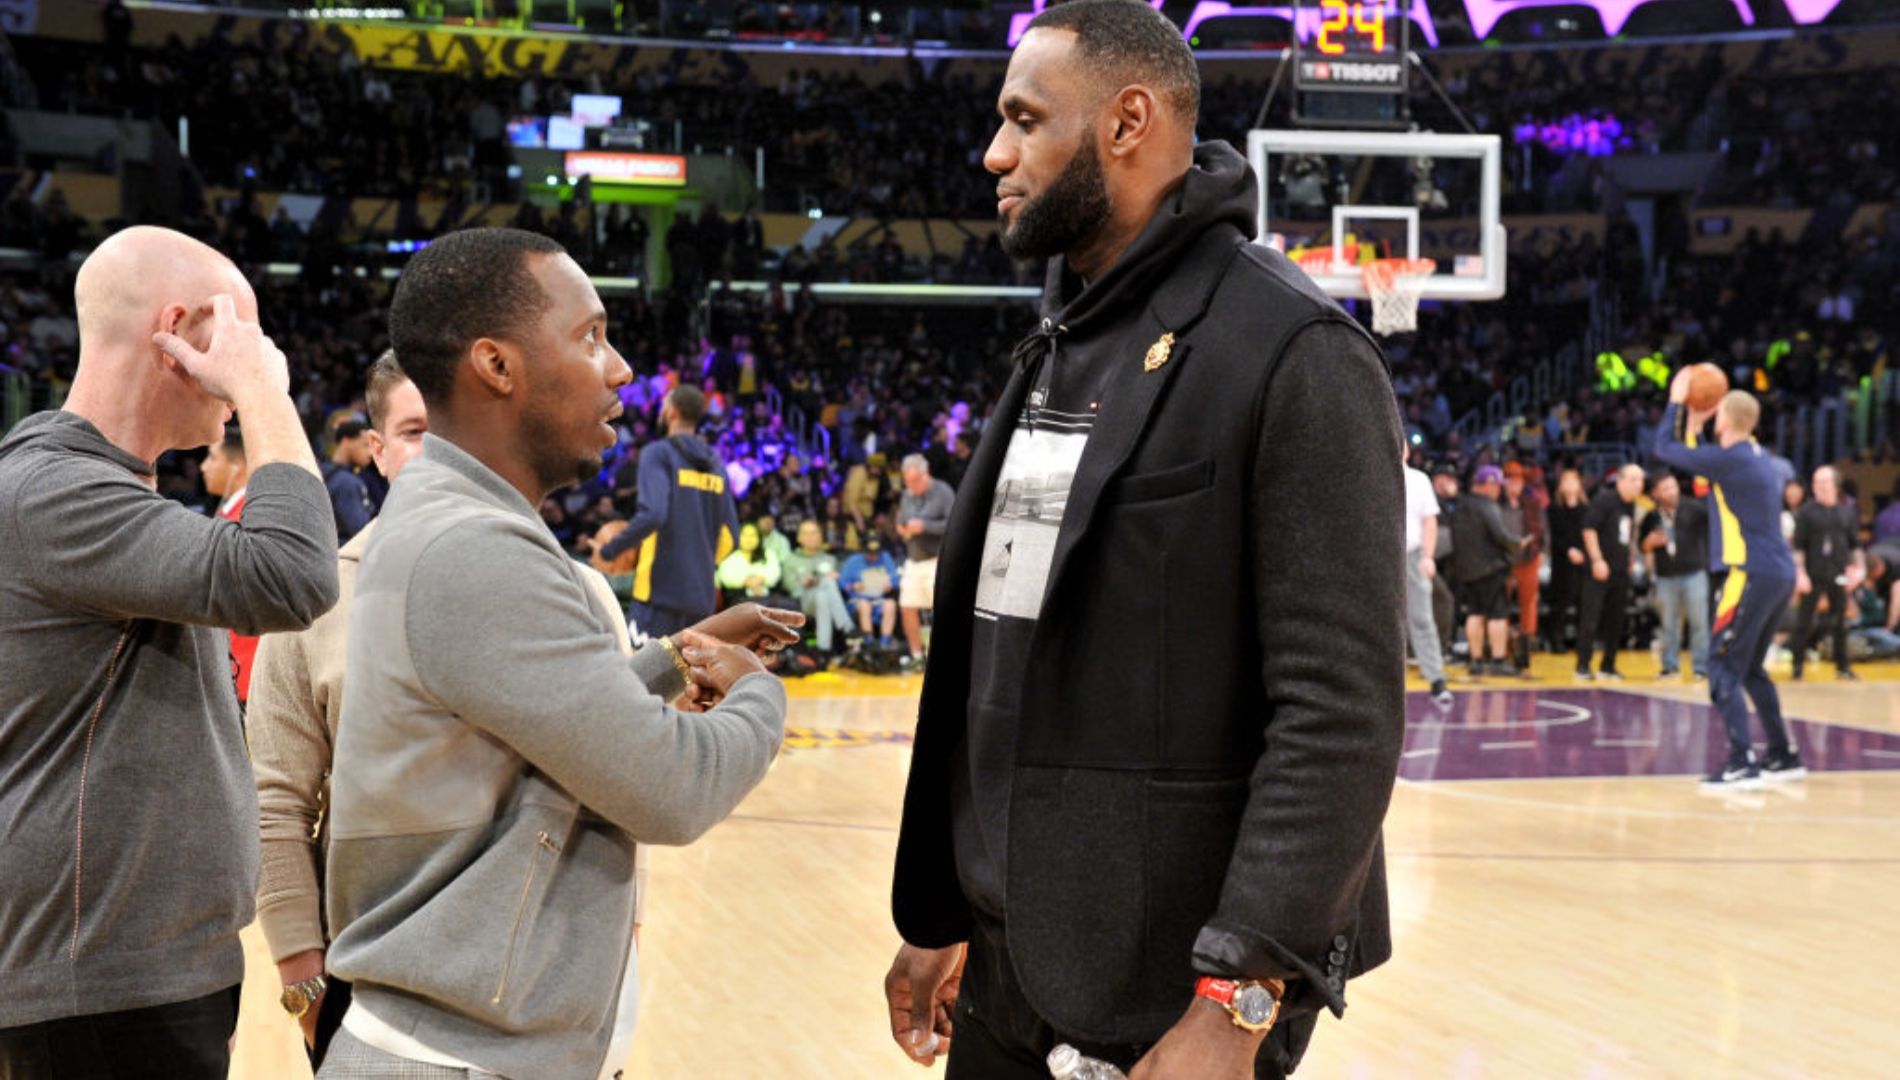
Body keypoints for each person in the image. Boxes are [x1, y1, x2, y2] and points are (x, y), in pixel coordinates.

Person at [884, 5, 1405, 1078]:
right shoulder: (1059, 338)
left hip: (1167, 995)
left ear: (1127, 122)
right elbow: (1001, 658)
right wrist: (947, 906)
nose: (995, 154)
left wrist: (1238, 998)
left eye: (1025, 119)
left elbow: (1339, 714)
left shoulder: (1297, 352)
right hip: (1002, 965)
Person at [320, 228, 798, 1079]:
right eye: (591, 337)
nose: (620, 369)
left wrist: (671, 662)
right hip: (456, 1057)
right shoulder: (475, 547)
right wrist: (760, 693)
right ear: (497, 365)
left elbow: (529, 722)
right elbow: (672, 789)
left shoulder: (442, 516)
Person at [0, 226, 339, 1077]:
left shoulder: (94, 487)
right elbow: (293, 574)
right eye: (239, 333)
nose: (259, 355)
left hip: (136, 975)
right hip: (95, 988)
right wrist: (261, 392)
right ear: (177, 331)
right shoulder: (54, 493)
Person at [1655, 373, 1805, 790]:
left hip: (1749, 572)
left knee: (1721, 665)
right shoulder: (1756, 456)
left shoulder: (1732, 460)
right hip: (1778, 572)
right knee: (1751, 667)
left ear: (1725, 417)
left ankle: (1742, 761)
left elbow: (1664, 449)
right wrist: (1695, 428)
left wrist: (1676, 402)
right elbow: (1701, 466)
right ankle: (1782, 754)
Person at [592, 384, 741, 641]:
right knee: (684, 669)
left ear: (671, 412)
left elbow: (654, 515)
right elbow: (731, 537)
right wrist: (696, 562)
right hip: (701, 599)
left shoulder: (658, 453)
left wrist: (609, 550)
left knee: (640, 666)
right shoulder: (716, 464)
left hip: (658, 595)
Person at [203, 422, 261, 702]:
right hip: (232, 656)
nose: (204, 466)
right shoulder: (233, 512)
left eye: (212, 458)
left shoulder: (247, 517)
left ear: (237, 467)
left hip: (244, 658)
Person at [1450, 465, 1526, 678]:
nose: (1499, 490)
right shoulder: (1487, 506)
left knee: (1474, 613)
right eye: (1497, 485)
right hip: (1491, 568)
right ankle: (1498, 661)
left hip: (1466, 570)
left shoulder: (1461, 506)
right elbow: (1501, 535)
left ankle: (1475, 661)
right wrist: (1518, 543)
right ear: (1488, 484)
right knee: (1497, 615)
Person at [1789, 465, 1863, 682]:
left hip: (1839, 572)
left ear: (1835, 485)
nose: (1819, 486)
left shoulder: (1846, 512)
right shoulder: (1806, 512)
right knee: (1804, 620)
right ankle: (1797, 665)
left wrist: (1859, 569)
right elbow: (1798, 547)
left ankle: (1843, 666)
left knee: (1841, 620)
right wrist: (1800, 573)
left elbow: (1855, 545)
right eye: (1816, 482)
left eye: (1824, 482)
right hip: (1813, 573)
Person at [1639, 473, 1711, 681]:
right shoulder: (1652, 517)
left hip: (1694, 573)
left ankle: (1701, 667)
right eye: (1665, 488)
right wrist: (1649, 543)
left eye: (1673, 486)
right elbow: (1642, 546)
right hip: (1665, 576)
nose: (1671, 492)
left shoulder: (1694, 509)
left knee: (1699, 623)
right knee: (1668, 624)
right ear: (1656, 493)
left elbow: (1712, 528)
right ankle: (1670, 666)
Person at [1576, 464, 1644, 682]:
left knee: (1616, 620)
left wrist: (1630, 555)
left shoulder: (1630, 505)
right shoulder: (1604, 499)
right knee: (1591, 618)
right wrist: (1597, 560)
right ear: (1620, 480)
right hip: (1599, 568)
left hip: (1620, 569)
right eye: (1634, 479)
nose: (1639, 484)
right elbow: (1589, 529)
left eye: (1641, 480)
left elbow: (1626, 533)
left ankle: (1608, 665)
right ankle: (1583, 666)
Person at [895, 453, 955, 666]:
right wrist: (902, 528)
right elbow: (901, 521)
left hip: (936, 559)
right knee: (907, 606)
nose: (910, 485)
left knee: (939, 609)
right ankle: (917, 656)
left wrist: (925, 526)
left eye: (914, 480)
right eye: (907, 481)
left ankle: (941, 657)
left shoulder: (943, 491)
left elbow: (954, 524)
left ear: (925, 473)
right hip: (913, 559)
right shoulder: (907, 494)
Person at [1403, 463, 1453, 706]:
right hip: (1379, 557)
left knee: (1422, 618)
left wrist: (1428, 556)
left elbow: (1430, 521)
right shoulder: (1372, 472)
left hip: (1413, 554)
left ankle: (1436, 680)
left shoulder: (1418, 479)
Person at [785, 518, 855, 655]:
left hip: (826, 600)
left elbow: (841, 588)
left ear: (821, 536)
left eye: (815, 533)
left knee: (822, 595)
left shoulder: (830, 559)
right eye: (807, 533)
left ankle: (823, 649)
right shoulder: (791, 560)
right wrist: (803, 583)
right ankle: (847, 627)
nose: (811, 537)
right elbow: (791, 589)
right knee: (826, 583)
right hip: (803, 602)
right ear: (799, 538)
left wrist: (838, 579)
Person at [1499, 461, 1544, 670]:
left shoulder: (1532, 503)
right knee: (1501, 604)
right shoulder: (1497, 503)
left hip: (1528, 559)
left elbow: (1542, 530)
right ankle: (1503, 646)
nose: (1514, 484)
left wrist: (1540, 552)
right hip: (1503, 561)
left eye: (1517, 480)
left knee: (1529, 602)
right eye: (1510, 479)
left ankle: (1526, 645)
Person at [1545, 468, 1589, 652]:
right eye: (1566, 481)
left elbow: (1591, 533)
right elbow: (1553, 536)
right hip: (1561, 560)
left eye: (1573, 480)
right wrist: (1569, 550)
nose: (1570, 484)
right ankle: (1556, 639)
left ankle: (1582, 640)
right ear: (1560, 486)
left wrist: (1583, 551)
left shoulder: (1587, 509)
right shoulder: (1553, 509)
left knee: (1584, 601)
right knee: (1560, 601)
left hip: (1583, 560)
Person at [841, 535, 901, 648]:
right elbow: (842, 582)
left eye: (876, 553)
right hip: (858, 599)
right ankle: (869, 642)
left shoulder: (885, 558)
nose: (873, 556)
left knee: (890, 604)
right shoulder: (853, 561)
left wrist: (890, 585)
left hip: (879, 597)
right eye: (870, 553)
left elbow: (895, 579)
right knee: (865, 605)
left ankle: (885, 642)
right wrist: (853, 586)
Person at [323, 418, 376, 543]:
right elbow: (363, 533)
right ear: (346, 441)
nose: (371, 453)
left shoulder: (320, 468)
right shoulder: (347, 482)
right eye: (366, 445)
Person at [717, 520, 785, 604]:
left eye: (753, 535)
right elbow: (725, 577)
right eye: (745, 535)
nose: (749, 539)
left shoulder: (769, 554)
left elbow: (774, 574)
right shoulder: (730, 557)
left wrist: (761, 579)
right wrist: (745, 581)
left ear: (759, 538)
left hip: (768, 597)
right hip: (738, 598)